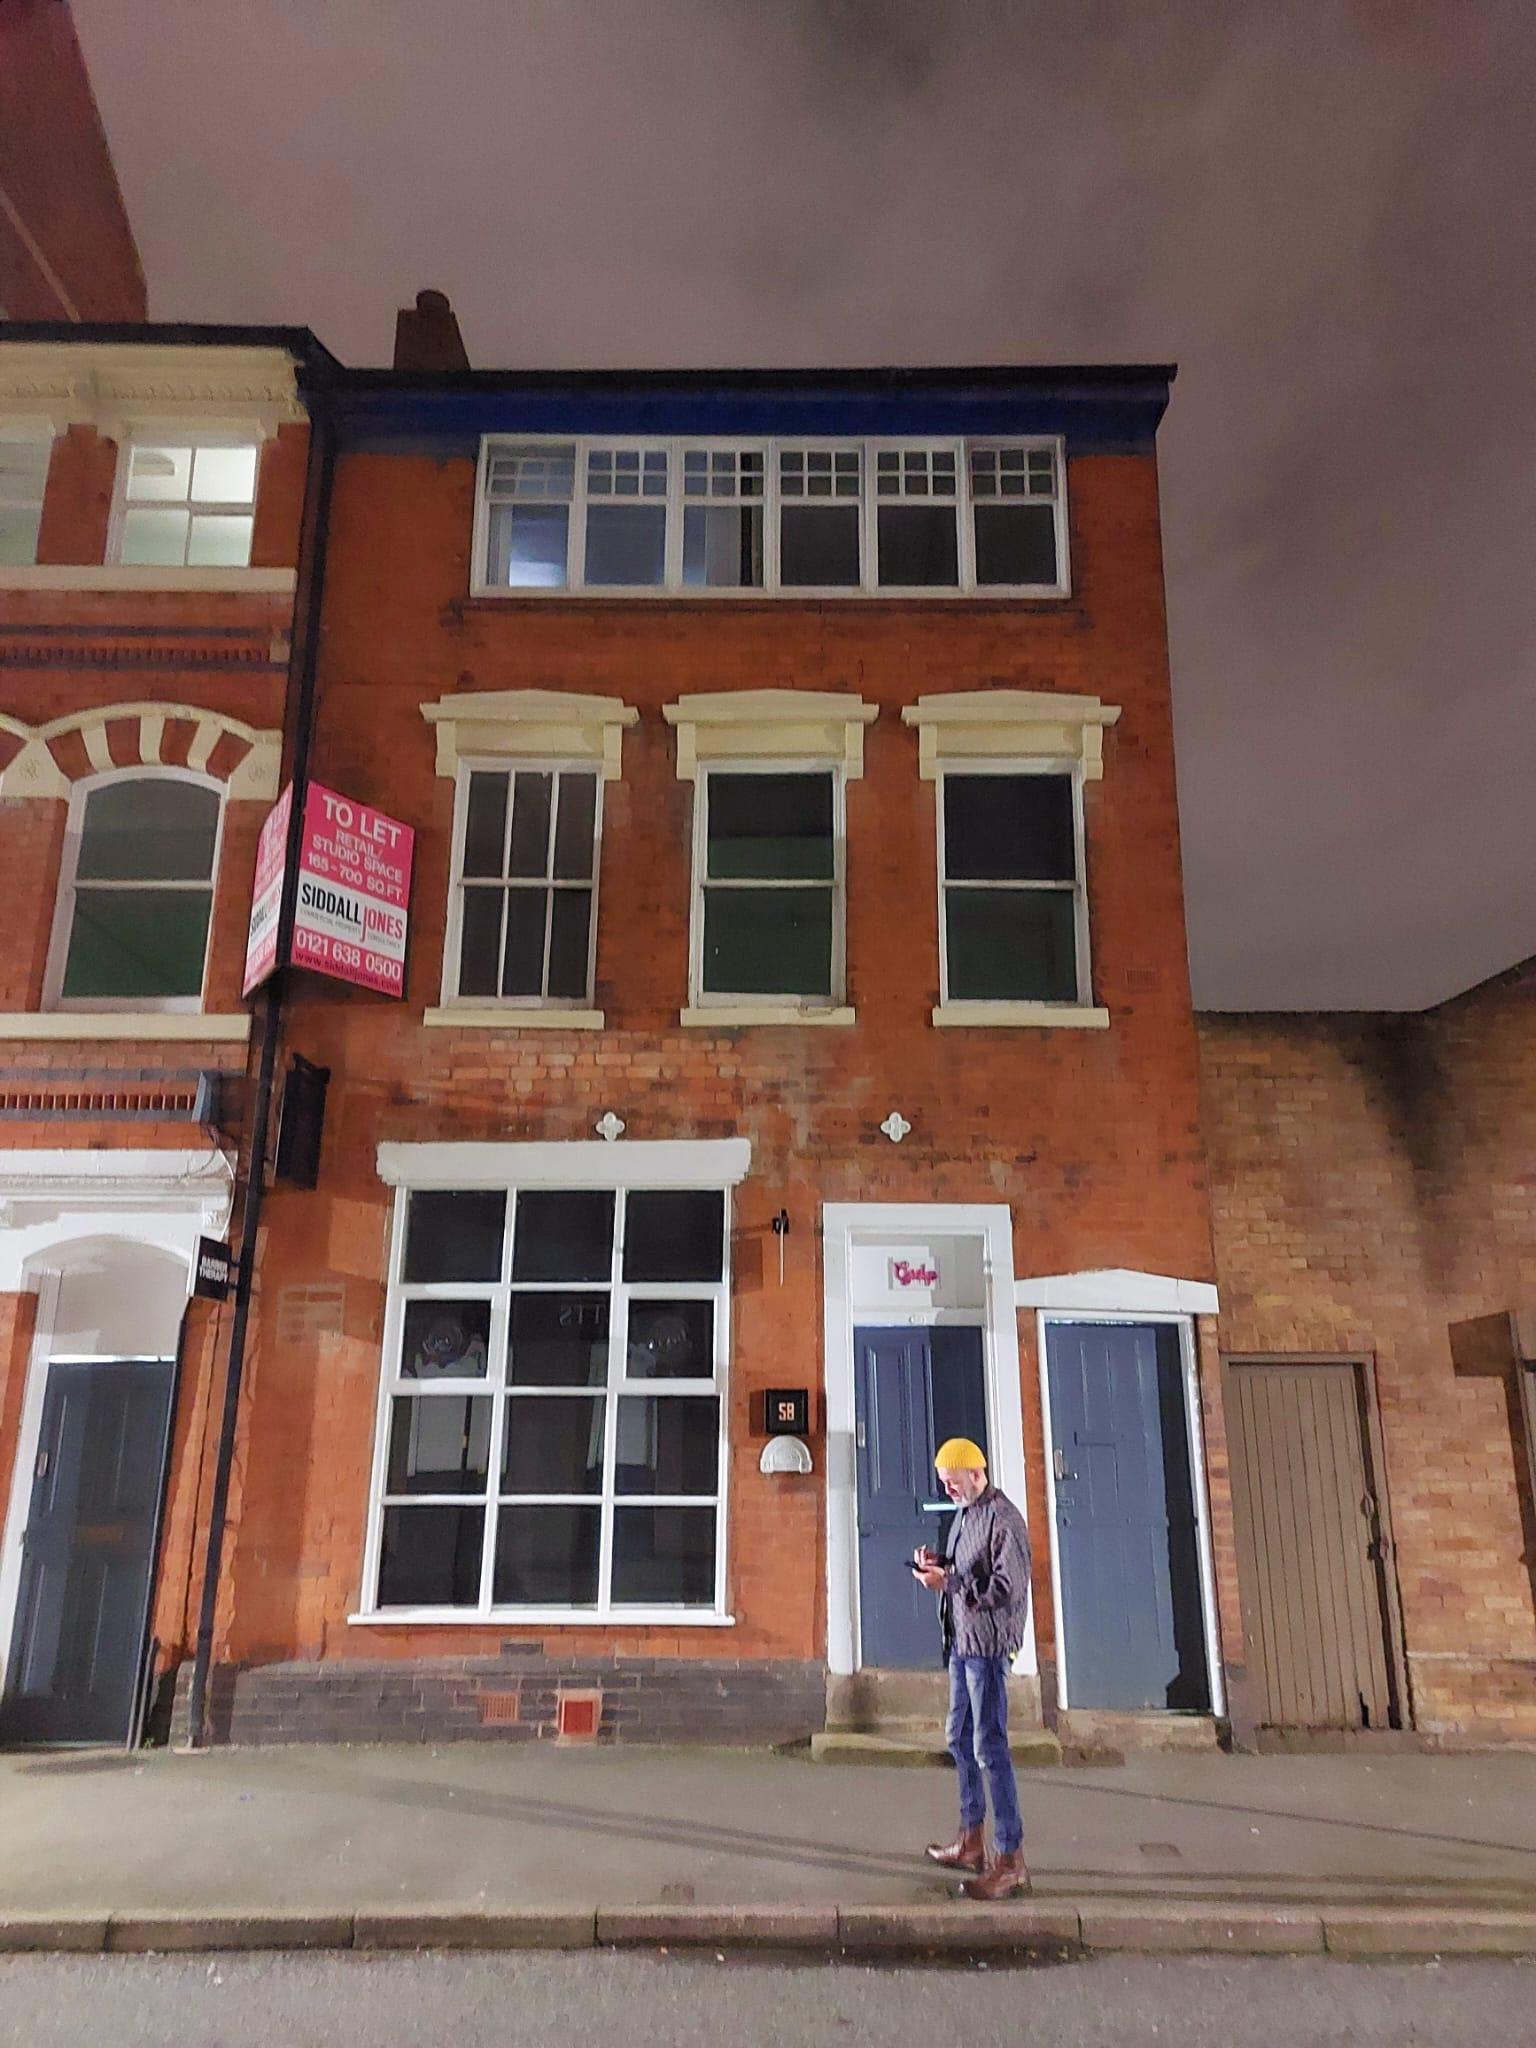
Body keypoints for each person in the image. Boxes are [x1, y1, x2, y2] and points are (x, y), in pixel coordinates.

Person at [913, 1437, 1033, 1900]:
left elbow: (1006, 1587)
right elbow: (967, 1571)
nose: (948, 1492)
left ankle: (1009, 1859)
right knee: (959, 1739)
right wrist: (939, 1565)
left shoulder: (1005, 1520)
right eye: (944, 1484)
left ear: (976, 1474)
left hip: (988, 1646)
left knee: (990, 1747)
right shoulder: (966, 1516)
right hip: (962, 1643)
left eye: (952, 1483)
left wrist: (952, 1582)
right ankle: (971, 1840)